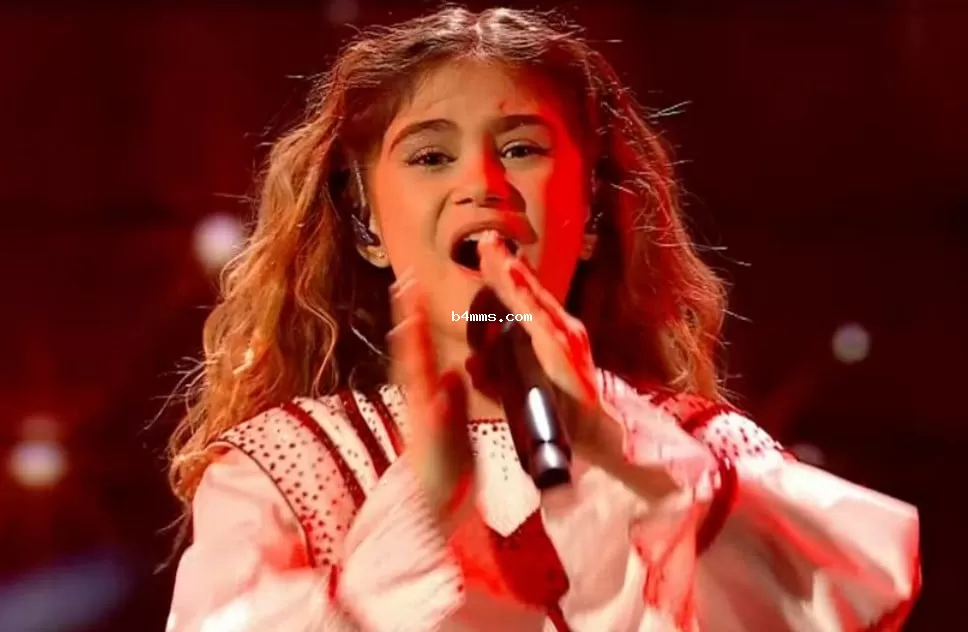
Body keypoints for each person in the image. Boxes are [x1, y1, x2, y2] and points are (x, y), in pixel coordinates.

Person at [164, 6, 920, 631]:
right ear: (367, 226)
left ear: (589, 213)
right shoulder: (286, 467)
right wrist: (420, 514)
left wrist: (621, 451)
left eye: (522, 148)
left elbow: (841, 598)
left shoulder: (698, 453)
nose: (482, 184)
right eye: (430, 157)